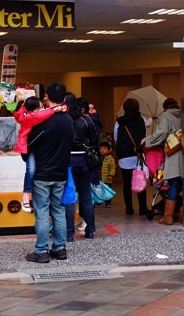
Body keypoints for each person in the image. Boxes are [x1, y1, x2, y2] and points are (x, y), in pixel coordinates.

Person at [25, 82, 74, 263]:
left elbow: (30, 144)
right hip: (61, 172)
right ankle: (60, 249)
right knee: (59, 210)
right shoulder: (68, 120)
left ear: (46, 97)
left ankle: (41, 251)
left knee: (42, 212)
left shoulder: (42, 118)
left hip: (43, 172)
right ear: (63, 98)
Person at [13, 96, 64, 212]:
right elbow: (38, 116)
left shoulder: (34, 115)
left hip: (40, 148)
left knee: (37, 171)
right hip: (30, 148)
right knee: (31, 169)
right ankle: (26, 195)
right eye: (40, 108)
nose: (42, 109)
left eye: (43, 107)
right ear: (32, 109)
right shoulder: (26, 117)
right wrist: (53, 110)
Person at [64, 93, 99, 241]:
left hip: (68, 162)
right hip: (84, 161)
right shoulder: (86, 120)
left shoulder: (63, 120)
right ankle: (90, 230)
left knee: (69, 198)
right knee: (86, 196)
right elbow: (94, 140)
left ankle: (69, 233)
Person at [143, 97, 182, 225]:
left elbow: (162, 133)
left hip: (173, 153)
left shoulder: (165, 117)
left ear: (165, 107)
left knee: (173, 184)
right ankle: (180, 212)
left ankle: (168, 217)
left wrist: (147, 141)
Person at [114, 98, 148, 216]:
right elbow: (144, 136)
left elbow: (116, 138)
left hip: (124, 156)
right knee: (140, 181)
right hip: (137, 155)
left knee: (127, 183)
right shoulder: (141, 120)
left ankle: (129, 209)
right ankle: (143, 208)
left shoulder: (119, 122)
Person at [99, 141, 117, 208]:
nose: (102, 150)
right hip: (100, 178)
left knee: (107, 191)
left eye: (104, 149)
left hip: (107, 178)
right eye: (100, 149)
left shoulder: (110, 159)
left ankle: (108, 202)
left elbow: (113, 167)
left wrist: (111, 175)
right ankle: (98, 202)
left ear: (109, 150)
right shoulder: (99, 158)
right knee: (99, 191)